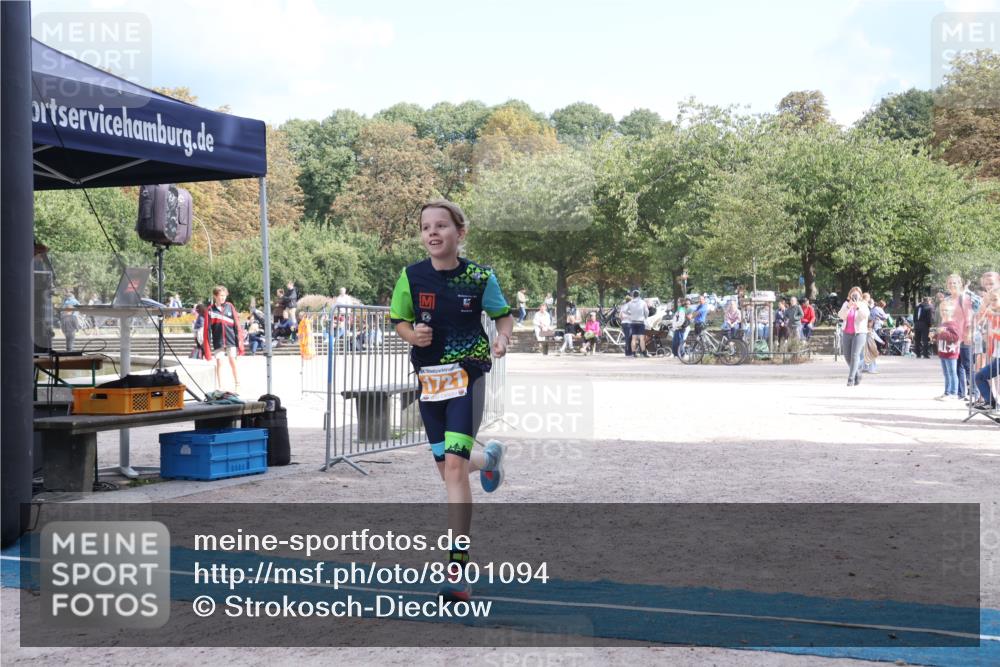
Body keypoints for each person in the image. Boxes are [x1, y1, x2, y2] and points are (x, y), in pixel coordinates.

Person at [389, 199, 514, 603]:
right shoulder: (411, 276)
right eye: (426, 227)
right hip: (429, 383)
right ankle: (489, 460)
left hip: (467, 376)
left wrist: (503, 336)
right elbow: (400, 320)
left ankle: (457, 569)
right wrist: (412, 337)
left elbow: (503, 314)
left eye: (441, 225)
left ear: (460, 233)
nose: (432, 233)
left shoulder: (480, 277)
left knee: (455, 469)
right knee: (449, 471)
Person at [201, 285, 243, 391]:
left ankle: (237, 383)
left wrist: (240, 343)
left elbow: (237, 325)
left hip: (230, 340)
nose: (223, 298)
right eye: (220, 296)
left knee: (232, 361)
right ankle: (221, 386)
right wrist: (207, 349)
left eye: (224, 296)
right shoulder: (210, 309)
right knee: (219, 363)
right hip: (218, 341)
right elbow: (207, 329)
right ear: (215, 296)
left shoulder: (230, 306)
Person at [972, 287, 1000, 411]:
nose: (992, 303)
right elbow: (980, 323)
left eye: (995, 300)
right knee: (979, 376)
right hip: (996, 355)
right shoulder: (993, 314)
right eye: (990, 301)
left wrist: (992, 331)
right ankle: (991, 403)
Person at [838, 286, 869, 386]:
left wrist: (857, 307)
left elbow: (865, 316)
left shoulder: (863, 304)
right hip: (847, 332)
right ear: (850, 295)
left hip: (859, 333)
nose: (855, 295)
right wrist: (848, 306)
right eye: (853, 293)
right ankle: (857, 373)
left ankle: (850, 379)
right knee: (847, 356)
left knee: (855, 355)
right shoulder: (846, 304)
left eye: (857, 294)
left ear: (860, 295)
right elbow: (841, 316)